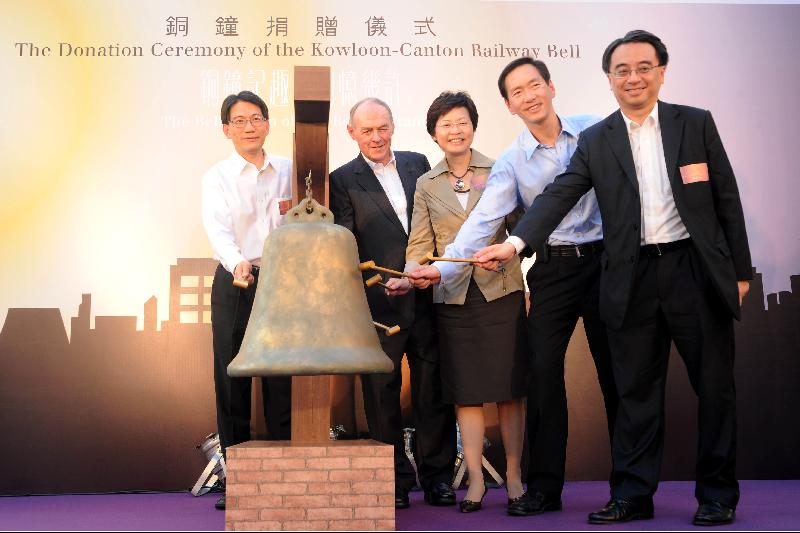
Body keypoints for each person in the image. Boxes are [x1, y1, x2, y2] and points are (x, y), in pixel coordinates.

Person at [474, 30, 752, 526]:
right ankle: (633, 494)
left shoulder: (694, 124)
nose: (633, 78)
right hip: (631, 276)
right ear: (609, 79)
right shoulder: (598, 138)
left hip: (693, 271)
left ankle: (717, 496)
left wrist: (739, 271)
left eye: (643, 67)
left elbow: (726, 199)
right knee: (636, 392)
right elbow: (559, 195)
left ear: (661, 72)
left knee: (714, 387)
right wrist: (517, 244)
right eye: (622, 71)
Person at [410, 58, 619, 517]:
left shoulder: (598, 131)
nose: (529, 96)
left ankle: (628, 489)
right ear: (508, 104)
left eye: (534, 85)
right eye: (518, 92)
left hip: (607, 263)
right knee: (541, 376)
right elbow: (483, 223)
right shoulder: (509, 162)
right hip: (553, 268)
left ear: (550, 87)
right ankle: (544, 488)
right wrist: (440, 271)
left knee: (618, 375)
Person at [393, 91, 528, 513]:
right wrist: (411, 273)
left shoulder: (501, 169)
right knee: (466, 393)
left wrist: (511, 252)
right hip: (452, 299)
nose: (455, 130)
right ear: (434, 133)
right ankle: (473, 480)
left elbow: (523, 229)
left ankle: (515, 477)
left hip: (501, 292)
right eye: (446, 124)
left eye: (462, 122)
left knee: (510, 389)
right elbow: (419, 244)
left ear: (474, 126)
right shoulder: (426, 184)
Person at [329, 97, 458, 510]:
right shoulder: (341, 179)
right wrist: (378, 282)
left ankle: (437, 477)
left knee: (432, 390)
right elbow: (344, 243)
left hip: (428, 294)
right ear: (352, 134)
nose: (376, 137)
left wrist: (428, 271)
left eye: (382, 128)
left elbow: (438, 220)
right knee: (381, 394)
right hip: (379, 303)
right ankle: (393, 481)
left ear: (393, 127)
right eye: (366, 130)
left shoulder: (418, 162)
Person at [201, 91, 292, 511]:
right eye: (239, 121)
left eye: (256, 118)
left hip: (283, 284)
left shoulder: (290, 171)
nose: (249, 126)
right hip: (235, 281)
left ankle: (284, 473)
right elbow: (218, 231)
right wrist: (238, 264)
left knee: (281, 377)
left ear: (268, 124)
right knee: (232, 377)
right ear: (226, 130)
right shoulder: (217, 175)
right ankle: (236, 476)